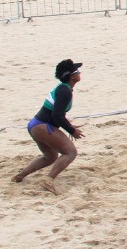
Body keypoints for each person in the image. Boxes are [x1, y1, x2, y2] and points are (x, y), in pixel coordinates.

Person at [13, 59, 85, 194]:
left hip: (35, 125)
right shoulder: (65, 91)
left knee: (50, 157)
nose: (79, 73)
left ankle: (20, 176)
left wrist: (69, 125)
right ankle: (48, 181)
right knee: (70, 152)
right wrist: (72, 130)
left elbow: (57, 114)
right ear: (72, 76)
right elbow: (57, 115)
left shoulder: (63, 88)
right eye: (77, 71)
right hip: (42, 126)